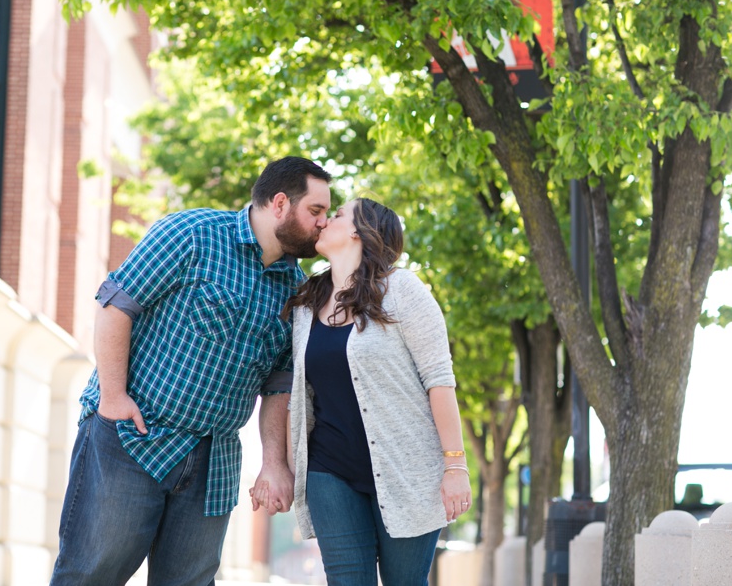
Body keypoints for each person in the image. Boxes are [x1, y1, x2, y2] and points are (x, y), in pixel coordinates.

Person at [49, 157, 332, 586]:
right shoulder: (191, 234)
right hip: (131, 438)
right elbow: (115, 305)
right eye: (316, 211)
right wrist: (112, 397)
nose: (323, 224)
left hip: (212, 463)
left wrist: (274, 462)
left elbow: (278, 386)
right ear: (279, 204)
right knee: (90, 575)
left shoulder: (296, 290)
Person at [258, 198, 471, 586]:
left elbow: (439, 380)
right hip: (329, 470)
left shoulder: (402, 290)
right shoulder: (307, 303)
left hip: (407, 472)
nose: (325, 221)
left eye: (337, 215)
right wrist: (280, 466)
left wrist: (455, 465)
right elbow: (294, 391)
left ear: (359, 231)